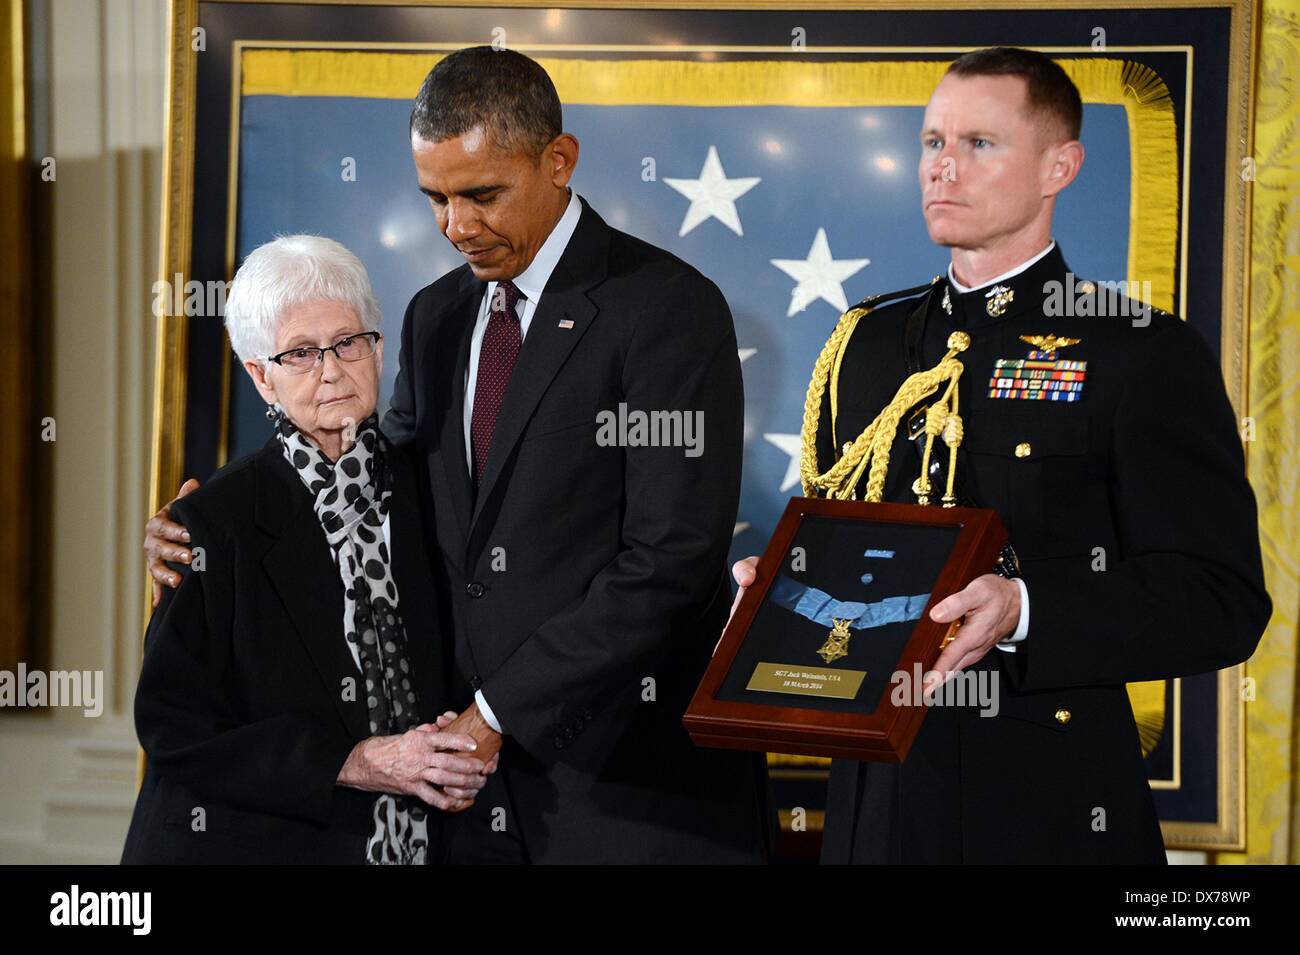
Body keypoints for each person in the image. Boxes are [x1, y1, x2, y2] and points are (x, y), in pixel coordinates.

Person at [146, 49, 770, 864]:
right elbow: (380, 481)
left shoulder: (665, 309)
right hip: (464, 803)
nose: (455, 225)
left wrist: (496, 712)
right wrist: (210, 528)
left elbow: (670, 562)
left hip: (626, 793)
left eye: (481, 194)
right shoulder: (437, 315)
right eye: (435, 197)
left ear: (559, 159)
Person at [732, 47, 1270, 863]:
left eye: (978, 144)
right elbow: (853, 551)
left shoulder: (1139, 352)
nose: (942, 168)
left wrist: (1024, 609)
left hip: (1044, 795)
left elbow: (1219, 596)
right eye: (932, 142)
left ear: (1061, 165)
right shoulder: (866, 342)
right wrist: (784, 593)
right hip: (879, 798)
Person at [125, 235, 495, 865]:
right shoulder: (213, 520)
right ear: (259, 376)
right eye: (299, 353)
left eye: (349, 342)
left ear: (377, 350)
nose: (331, 370)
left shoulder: (432, 489)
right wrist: (351, 763)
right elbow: (174, 726)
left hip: (422, 843)